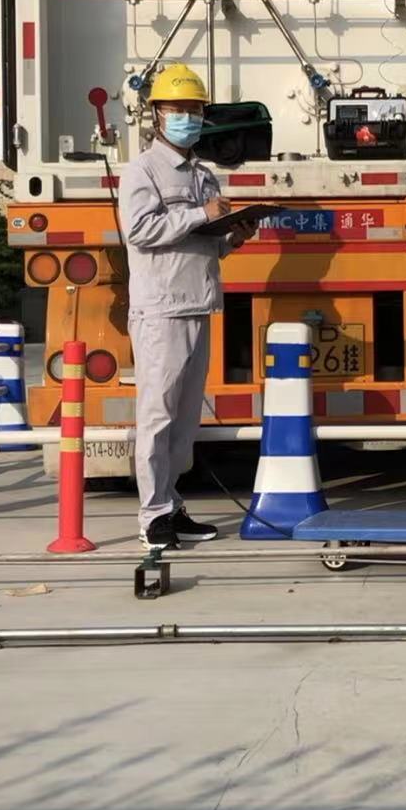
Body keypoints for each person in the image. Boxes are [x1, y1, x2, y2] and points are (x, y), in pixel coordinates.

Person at [119, 64, 256, 548]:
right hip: (160, 309)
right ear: (156, 114)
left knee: (184, 420)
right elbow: (139, 230)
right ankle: (152, 515)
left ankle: (172, 505)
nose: (189, 118)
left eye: (196, 110)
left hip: (198, 303)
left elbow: (205, 243)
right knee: (156, 414)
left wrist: (233, 235)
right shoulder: (142, 171)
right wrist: (200, 213)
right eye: (179, 109)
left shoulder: (203, 175)